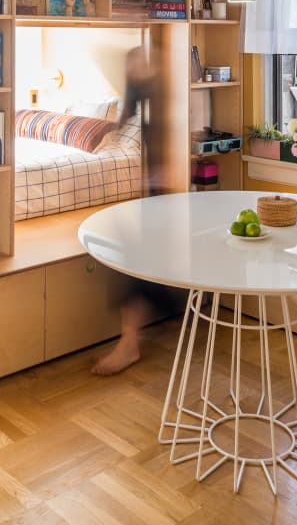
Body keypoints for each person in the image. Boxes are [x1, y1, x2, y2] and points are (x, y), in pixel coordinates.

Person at [91, 44, 179, 375]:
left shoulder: (168, 76)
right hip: (152, 186)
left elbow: (180, 122)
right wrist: (110, 134)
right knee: (136, 258)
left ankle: (130, 344)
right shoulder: (139, 74)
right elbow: (127, 116)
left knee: (137, 259)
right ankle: (138, 335)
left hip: (167, 184)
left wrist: (169, 170)